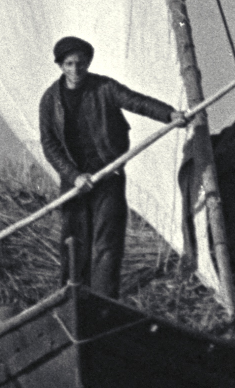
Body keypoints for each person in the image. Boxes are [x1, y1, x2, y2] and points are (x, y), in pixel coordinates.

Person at [36, 35, 175, 298]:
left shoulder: (104, 88)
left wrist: (169, 114)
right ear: (60, 66)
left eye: (80, 63)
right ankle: (72, 298)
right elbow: (49, 145)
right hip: (74, 182)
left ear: (88, 63)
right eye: (69, 64)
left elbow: (136, 101)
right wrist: (74, 176)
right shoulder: (50, 100)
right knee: (73, 242)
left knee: (106, 244)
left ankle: (103, 300)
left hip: (108, 174)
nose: (75, 70)